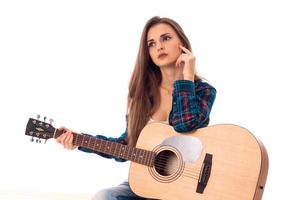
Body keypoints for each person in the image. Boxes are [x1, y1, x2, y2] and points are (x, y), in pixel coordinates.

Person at [56, 16, 217, 200]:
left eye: (166, 38)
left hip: (186, 190)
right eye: (151, 43)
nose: (159, 47)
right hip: (150, 183)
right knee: (104, 196)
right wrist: (79, 140)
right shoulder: (140, 97)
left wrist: (186, 78)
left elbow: (185, 125)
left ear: (182, 43)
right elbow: (127, 145)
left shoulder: (203, 90)